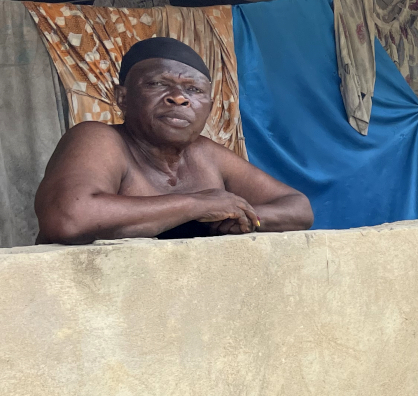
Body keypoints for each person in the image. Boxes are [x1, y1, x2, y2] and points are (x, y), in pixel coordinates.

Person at [33, 37, 312, 244]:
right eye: (158, 84)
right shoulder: (100, 139)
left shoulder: (206, 154)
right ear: (123, 98)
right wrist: (197, 205)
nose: (179, 97)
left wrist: (244, 219)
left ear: (210, 107)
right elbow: (68, 218)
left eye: (194, 90)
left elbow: (298, 207)